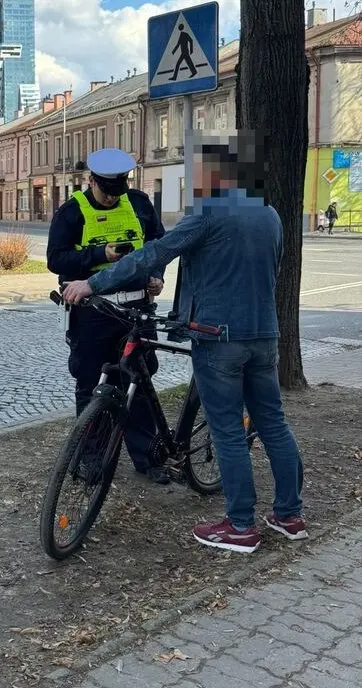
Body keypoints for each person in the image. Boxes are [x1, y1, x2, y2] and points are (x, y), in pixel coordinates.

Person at [61, 134, 306, 554]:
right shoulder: (270, 215)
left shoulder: (210, 213)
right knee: (273, 423)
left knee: (227, 430)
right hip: (264, 335)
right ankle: (289, 515)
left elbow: (155, 253)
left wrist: (93, 282)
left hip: (217, 336)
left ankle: (241, 526)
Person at [47, 148, 169, 484]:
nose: (113, 198)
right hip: (95, 313)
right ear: (91, 182)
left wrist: (156, 273)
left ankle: (148, 458)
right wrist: (102, 254)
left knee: (140, 384)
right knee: (93, 387)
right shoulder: (72, 212)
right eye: (106, 192)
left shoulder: (140, 203)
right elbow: (56, 260)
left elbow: (158, 244)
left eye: (119, 192)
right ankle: (91, 459)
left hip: (137, 308)